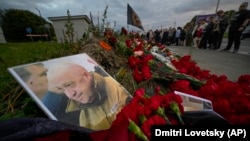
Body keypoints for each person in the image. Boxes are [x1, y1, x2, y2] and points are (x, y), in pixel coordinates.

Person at [46, 61, 132, 131]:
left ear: (86, 76)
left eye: (69, 85)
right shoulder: (83, 119)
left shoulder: (116, 86)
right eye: (62, 90)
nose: (70, 95)